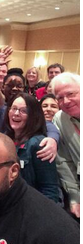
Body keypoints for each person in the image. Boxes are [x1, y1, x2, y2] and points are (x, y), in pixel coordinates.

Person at [5, 93, 60, 203]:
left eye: (23, 111)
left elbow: (49, 189)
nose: (16, 113)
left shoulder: (39, 144)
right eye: (14, 108)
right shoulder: (5, 139)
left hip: (30, 208)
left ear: (33, 115)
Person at [50, 72, 80, 219]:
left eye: (71, 94)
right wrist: (75, 197)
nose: (66, 101)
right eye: (60, 98)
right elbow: (64, 161)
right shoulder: (60, 119)